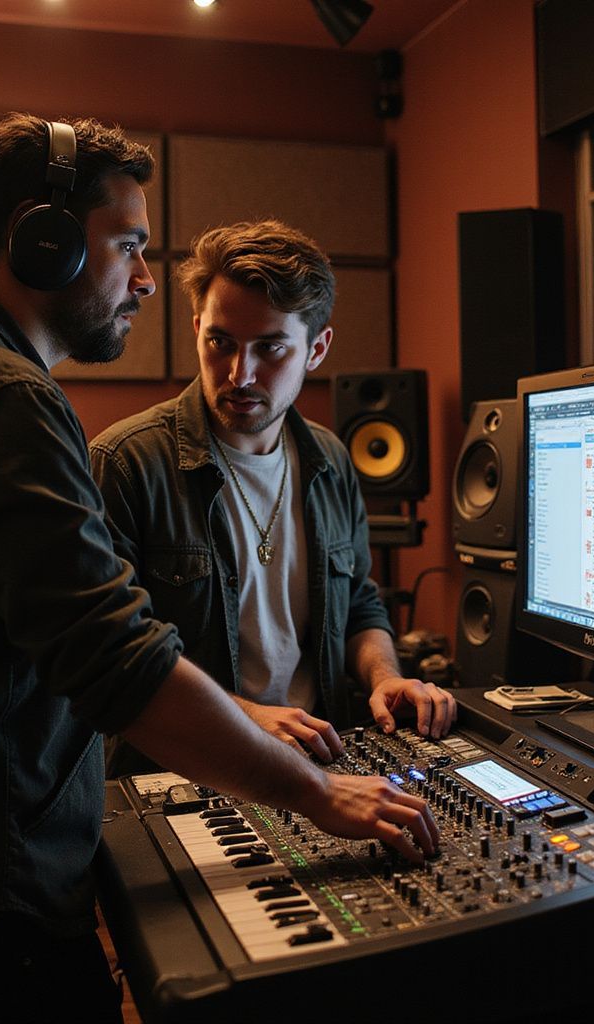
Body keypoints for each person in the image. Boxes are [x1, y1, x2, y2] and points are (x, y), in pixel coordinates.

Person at [0, 116, 439, 1024]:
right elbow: (115, 662)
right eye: (127, 244)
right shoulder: (6, 398)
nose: (144, 277)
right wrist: (315, 793)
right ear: (42, 241)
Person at [90, 220, 457, 778]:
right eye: (221, 343)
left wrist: (385, 677)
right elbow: (113, 658)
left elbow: (360, 605)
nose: (240, 375)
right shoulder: (125, 463)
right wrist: (245, 719)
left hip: (321, 762)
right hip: (179, 773)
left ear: (317, 350)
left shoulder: (331, 460)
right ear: (197, 329)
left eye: (270, 348)